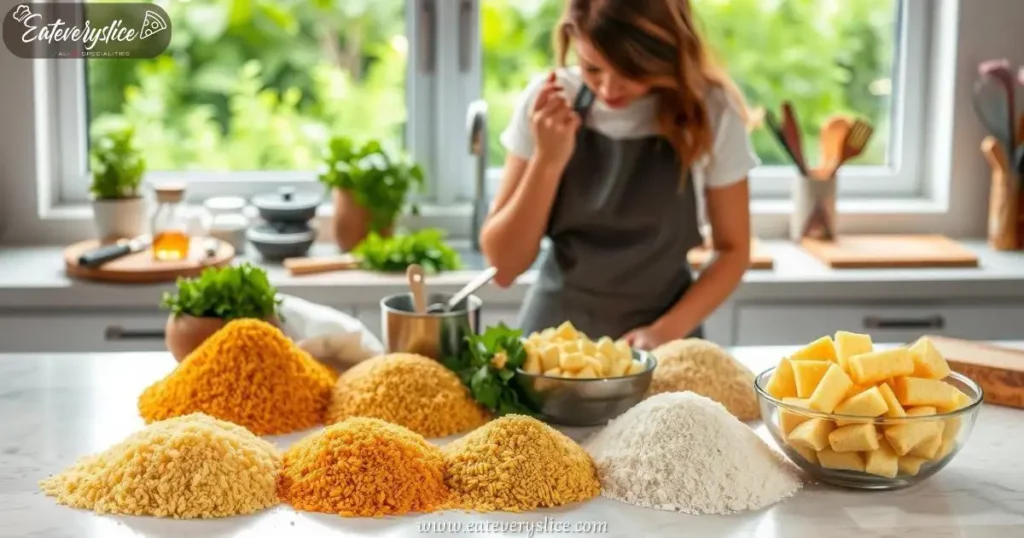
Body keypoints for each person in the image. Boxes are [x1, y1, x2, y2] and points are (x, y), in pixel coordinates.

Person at [479, 0, 759, 351]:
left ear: (665, 52)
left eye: (631, 71)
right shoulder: (551, 103)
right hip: (552, 348)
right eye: (593, 68)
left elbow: (734, 251)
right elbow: (503, 267)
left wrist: (665, 332)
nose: (609, 89)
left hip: (665, 345)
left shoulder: (711, 112)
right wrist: (547, 160)